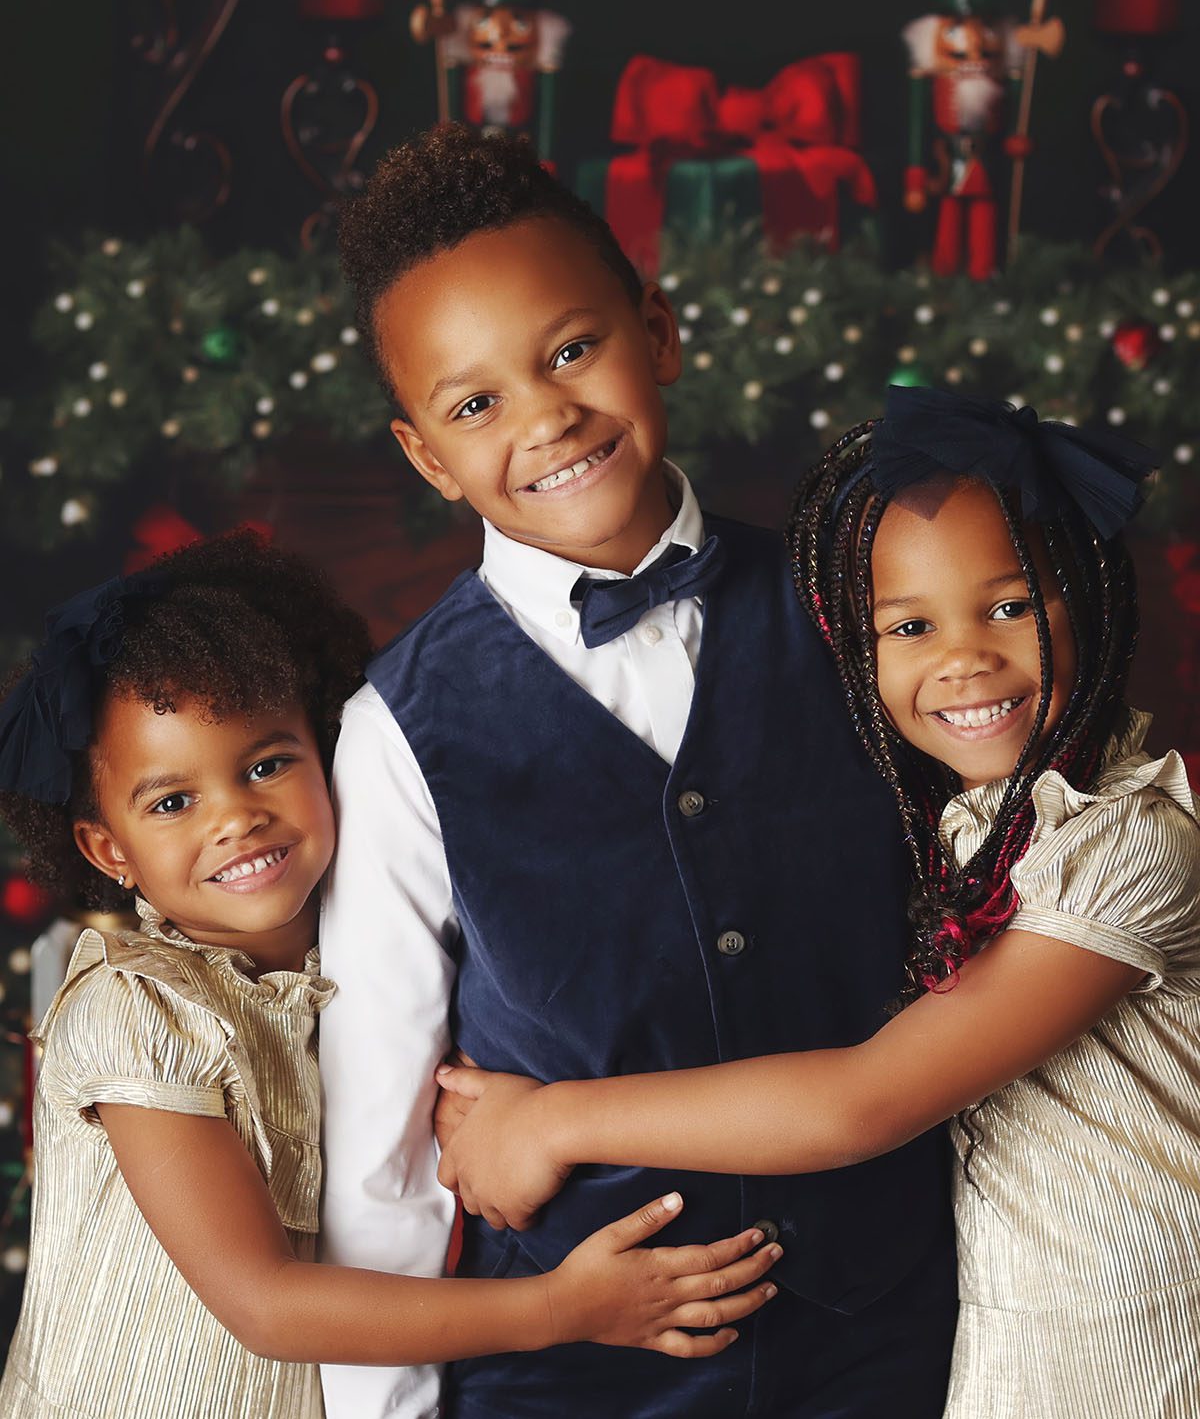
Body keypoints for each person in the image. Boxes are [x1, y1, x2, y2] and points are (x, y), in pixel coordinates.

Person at [321, 122, 957, 1419]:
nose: (547, 415)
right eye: (476, 402)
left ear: (657, 336)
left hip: (893, 1346)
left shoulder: (862, 609)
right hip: (572, 1377)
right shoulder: (398, 730)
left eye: (571, 350)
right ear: (428, 457)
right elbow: (381, 1157)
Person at [435, 387, 1200, 1419]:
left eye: (1012, 605)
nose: (963, 657)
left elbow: (864, 1101)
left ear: (1091, 601)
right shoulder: (958, 825)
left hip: (1137, 1342)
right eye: (910, 625)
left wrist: (554, 1121)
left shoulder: (1134, 840)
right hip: (1010, 1339)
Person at [0, 532, 779, 1419]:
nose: (237, 818)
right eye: (174, 802)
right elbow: (264, 1303)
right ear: (109, 850)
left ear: (325, 748)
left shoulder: (362, 955)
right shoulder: (136, 1008)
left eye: (266, 764)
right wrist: (560, 1308)